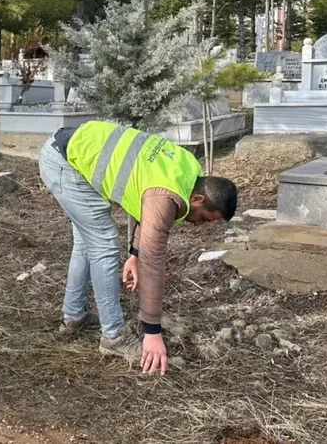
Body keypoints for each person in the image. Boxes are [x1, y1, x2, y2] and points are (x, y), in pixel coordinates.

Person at [38, 120, 237, 375]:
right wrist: (151, 331)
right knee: (104, 244)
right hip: (64, 162)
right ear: (198, 199)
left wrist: (134, 254)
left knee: (87, 242)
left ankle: (74, 317)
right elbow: (153, 261)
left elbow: (144, 200)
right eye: (204, 218)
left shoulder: (186, 170)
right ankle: (114, 338)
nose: (198, 225)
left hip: (72, 148)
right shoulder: (167, 195)